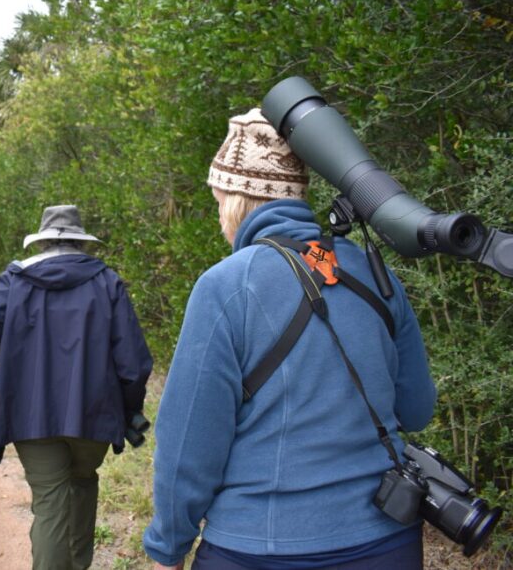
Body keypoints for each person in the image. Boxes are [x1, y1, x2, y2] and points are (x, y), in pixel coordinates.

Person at [143, 109, 437, 569]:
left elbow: (188, 445)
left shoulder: (226, 286)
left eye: (218, 197)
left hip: (260, 547)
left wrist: (168, 546)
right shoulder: (374, 274)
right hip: (388, 539)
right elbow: (417, 409)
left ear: (235, 199)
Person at [0, 204, 154, 570]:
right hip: (94, 415)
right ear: (81, 242)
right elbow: (133, 365)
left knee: (51, 503)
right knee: (82, 484)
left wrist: (18, 344)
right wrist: (130, 410)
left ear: (41, 242)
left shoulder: (16, 280)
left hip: (30, 415)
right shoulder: (107, 282)